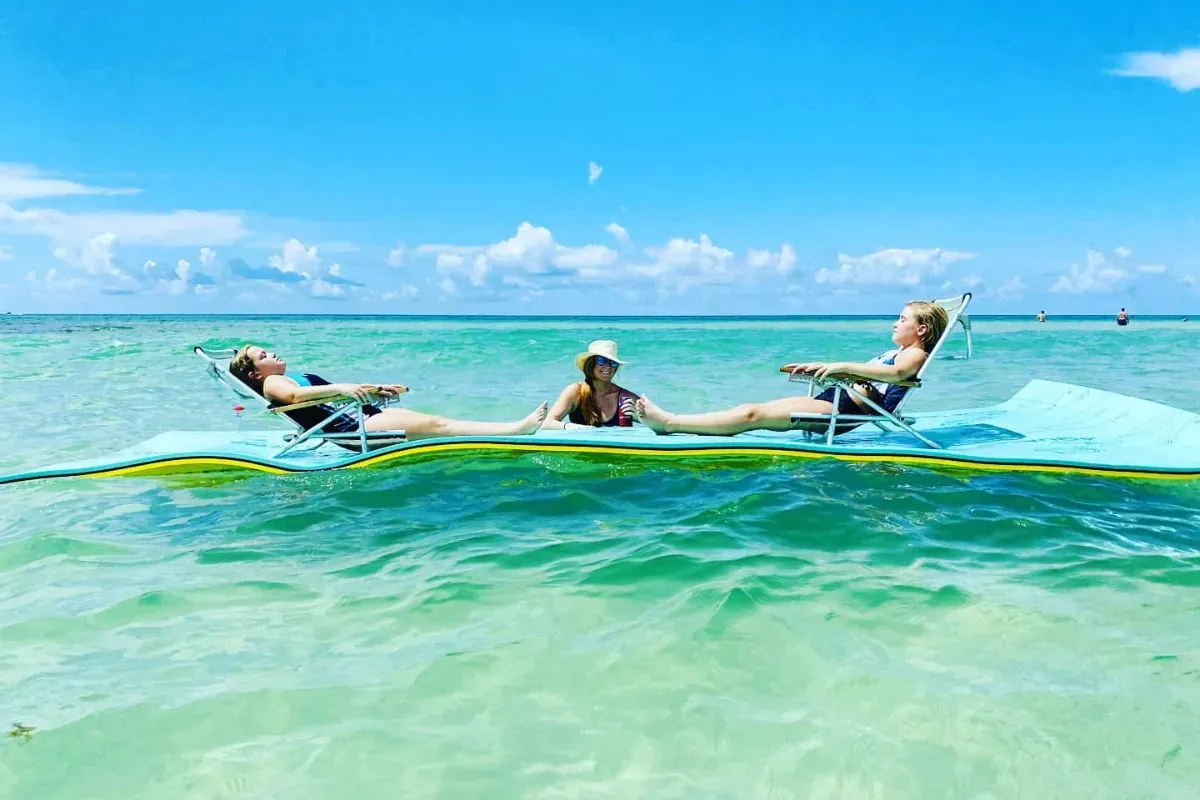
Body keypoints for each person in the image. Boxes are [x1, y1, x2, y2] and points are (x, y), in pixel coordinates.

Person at [636, 301, 949, 437]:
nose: (896, 323)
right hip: (838, 399)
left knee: (751, 416)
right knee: (753, 410)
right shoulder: (901, 351)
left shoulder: (915, 356)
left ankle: (670, 423)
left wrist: (840, 366)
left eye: (904, 319)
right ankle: (676, 421)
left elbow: (895, 377)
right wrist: (823, 370)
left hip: (843, 409)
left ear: (922, 330)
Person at [229, 345, 547, 440]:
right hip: (355, 429)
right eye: (263, 356)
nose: (272, 354)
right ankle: (515, 430)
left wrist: (375, 389)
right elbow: (297, 399)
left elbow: (327, 397)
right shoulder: (273, 384)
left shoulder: (292, 376)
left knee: (441, 424)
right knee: (440, 426)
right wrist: (344, 388)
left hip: (363, 418)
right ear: (256, 373)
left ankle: (511, 430)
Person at [543, 340, 639, 429]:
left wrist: (641, 418)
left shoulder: (626, 397)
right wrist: (576, 428)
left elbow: (654, 423)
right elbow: (547, 423)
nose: (608, 367)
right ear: (590, 364)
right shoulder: (576, 392)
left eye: (613, 363)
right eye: (602, 361)